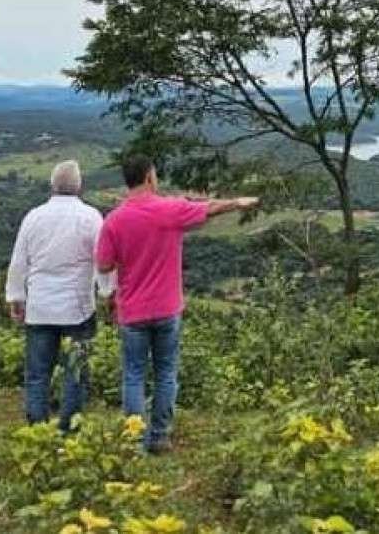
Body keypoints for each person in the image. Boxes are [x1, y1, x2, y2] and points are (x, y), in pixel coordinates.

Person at [94, 153, 258, 453]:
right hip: (167, 307)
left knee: (133, 375)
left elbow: (103, 267)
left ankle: (134, 442)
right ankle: (159, 436)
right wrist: (237, 202)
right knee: (166, 372)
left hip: (132, 311)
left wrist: (126, 257)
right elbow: (208, 210)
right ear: (148, 177)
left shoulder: (114, 220)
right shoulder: (169, 210)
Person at [5, 159, 107, 431]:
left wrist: (16, 297)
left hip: (40, 306)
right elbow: (102, 260)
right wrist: (108, 291)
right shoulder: (91, 217)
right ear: (79, 185)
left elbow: (19, 262)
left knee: (38, 373)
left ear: (52, 185)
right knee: (75, 371)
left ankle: (37, 428)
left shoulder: (34, 216)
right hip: (78, 307)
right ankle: (68, 429)